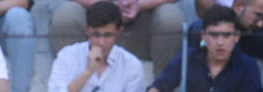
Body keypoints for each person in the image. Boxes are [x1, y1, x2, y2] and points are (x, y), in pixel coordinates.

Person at [146, 4, 262, 92]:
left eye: (227, 35)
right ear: (203, 36)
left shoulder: (248, 64)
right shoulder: (187, 57)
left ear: (237, 37)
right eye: (214, 35)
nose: (220, 42)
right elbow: (158, 86)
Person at [49, 0, 185, 81]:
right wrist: (109, 5)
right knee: (66, 15)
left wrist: (140, 4)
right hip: (96, 19)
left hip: (144, 22)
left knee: (170, 17)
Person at [46, 0, 146, 92]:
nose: (101, 42)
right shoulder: (67, 56)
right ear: (87, 30)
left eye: (108, 35)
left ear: (118, 32)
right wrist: (88, 72)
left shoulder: (132, 65)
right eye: (96, 35)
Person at [191, 0, 263, 92]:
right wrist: (228, 17)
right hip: (223, 18)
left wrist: (258, 16)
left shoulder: (261, 18)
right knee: (198, 29)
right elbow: (203, 9)